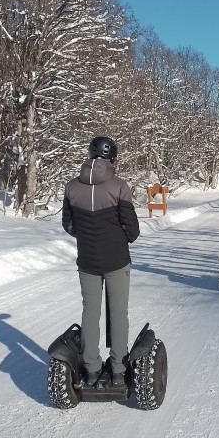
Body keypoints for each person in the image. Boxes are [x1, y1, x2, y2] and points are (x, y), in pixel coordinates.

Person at [62, 136, 140, 389]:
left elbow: (69, 224)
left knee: (90, 313)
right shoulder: (119, 186)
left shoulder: (72, 186)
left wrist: (87, 238)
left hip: (87, 260)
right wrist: (120, 238)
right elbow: (132, 228)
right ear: (113, 156)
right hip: (116, 259)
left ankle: (92, 369)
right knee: (118, 313)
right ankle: (118, 370)